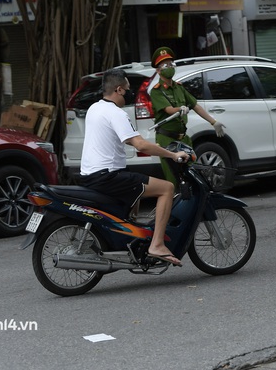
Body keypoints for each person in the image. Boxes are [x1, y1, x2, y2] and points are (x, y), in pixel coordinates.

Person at [79, 68, 190, 266]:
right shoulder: (115, 113)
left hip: (92, 175)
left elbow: (129, 140)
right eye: (129, 89)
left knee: (136, 186)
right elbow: (140, 144)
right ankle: (156, 244)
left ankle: (133, 240)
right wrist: (172, 155)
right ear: (119, 89)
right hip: (108, 177)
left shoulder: (95, 108)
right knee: (166, 188)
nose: (131, 93)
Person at [149, 47, 226, 184]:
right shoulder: (157, 91)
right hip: (167, 141)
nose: (170, 67)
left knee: (190, 176)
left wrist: (213, 122)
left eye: (172, 64)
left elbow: (195, 105)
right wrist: (179, 109)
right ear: (158, 70)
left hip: (183, 139)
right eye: (165, 65)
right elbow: (168, 109)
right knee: (173, 179)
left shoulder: (179, 87)